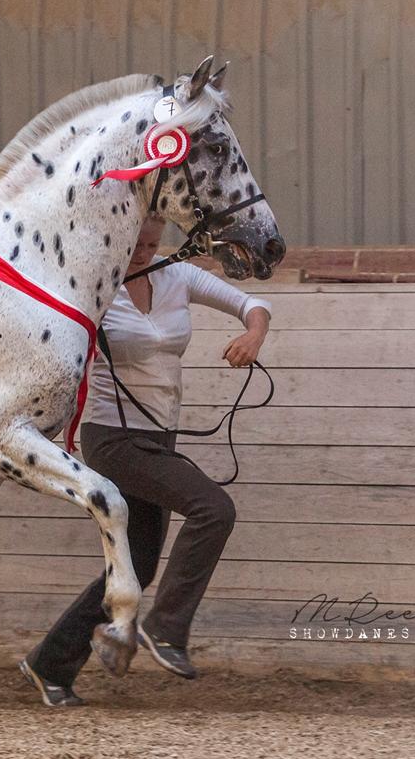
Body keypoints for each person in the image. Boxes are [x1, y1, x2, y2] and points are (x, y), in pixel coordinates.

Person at [19, 213, 272, 707]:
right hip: (112, 437)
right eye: (135, 245)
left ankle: (49, 665)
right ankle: (165, 630)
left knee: (137, 567)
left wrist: (253, 335)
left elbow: (252, 303)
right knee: (213, 508)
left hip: (160, 436)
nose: (143, 253)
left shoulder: (175, 273)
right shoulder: (92, 286)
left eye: (153, 244)